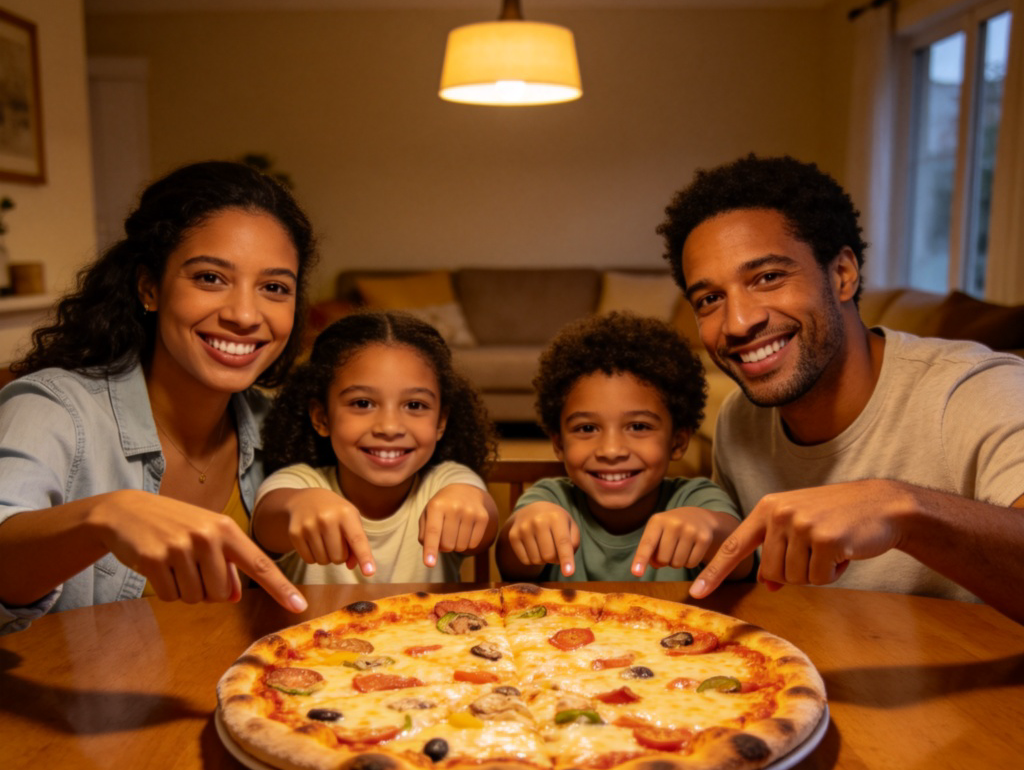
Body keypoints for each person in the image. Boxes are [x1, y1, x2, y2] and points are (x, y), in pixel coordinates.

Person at [657, 153, 1024, 622]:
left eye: (768, 278)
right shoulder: (740, 420)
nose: (739, 322)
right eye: (710, 299)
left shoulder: (975, 390)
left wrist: (903, 510)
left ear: (842, 274)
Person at [0, 160, 316, 633]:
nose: (246, 315)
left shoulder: (276, 427)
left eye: (274, 288)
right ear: (150, 287)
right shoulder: (51, 409)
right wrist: (102, 518)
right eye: (210, 278)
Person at [496, 310, 754, 583]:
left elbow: (741, 561)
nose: (611, 450)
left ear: (677, 441)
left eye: (639, 427)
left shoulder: (696, 498)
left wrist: (710, 530)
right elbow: (510, 563)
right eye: (587, 428)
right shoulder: (551, 498)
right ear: (559, 444)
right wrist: (526, 531)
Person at [253, 310, 499, 584]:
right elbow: (268, 522)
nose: (389, 427)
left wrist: (469, 501)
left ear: (441, 422)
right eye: (362, 403)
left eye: (414, 405)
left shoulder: (446, 482)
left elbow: (484, 521)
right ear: (322, 417)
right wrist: (297, 507)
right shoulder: (299, 482)